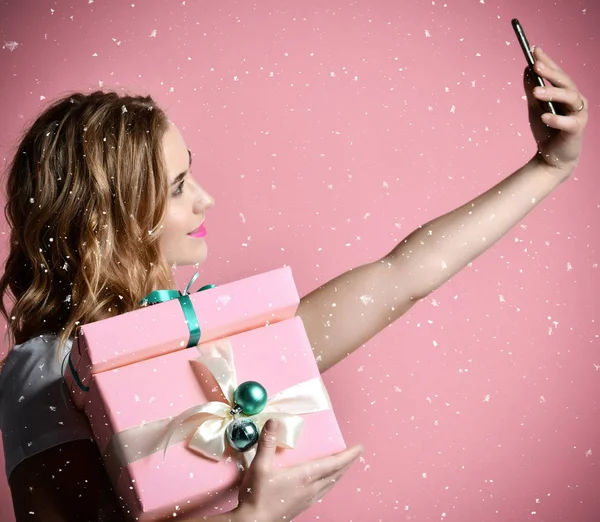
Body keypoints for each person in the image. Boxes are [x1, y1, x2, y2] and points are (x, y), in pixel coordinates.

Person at [0, 45, 588, 521]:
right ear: (112, 216)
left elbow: (399, 277)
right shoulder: (45, 371)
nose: (206, 198)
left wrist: (550, 166)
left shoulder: (208, 338)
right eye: (178, 185)